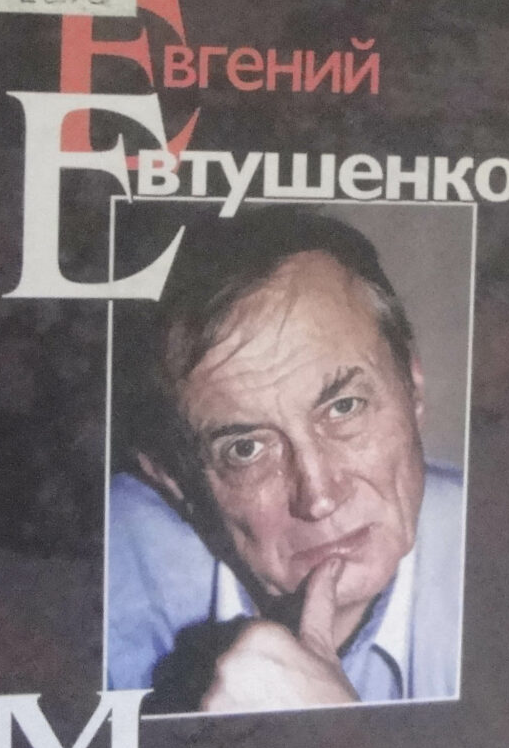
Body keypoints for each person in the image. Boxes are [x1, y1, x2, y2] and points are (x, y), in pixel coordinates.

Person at [106, 209, 464, 714]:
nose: (318, 496)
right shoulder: (96, 576)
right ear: (173, 479)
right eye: (246, 449)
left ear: (414, 389)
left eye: (344, 407)